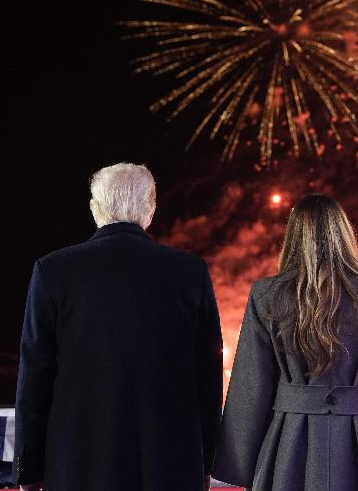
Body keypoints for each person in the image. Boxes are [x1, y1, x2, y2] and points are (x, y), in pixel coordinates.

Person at [13, 163, 222, 491]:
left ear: (95, 209)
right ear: (150, 210)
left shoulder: (53, 271)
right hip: (171, 462)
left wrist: (28, 467)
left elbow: (35, 379)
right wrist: (208, 461)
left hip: (77, 463)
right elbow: (208, 380)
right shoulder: (189, 272)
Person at [212, 194, 358, 491]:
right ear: (344, 235)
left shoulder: (266, 296)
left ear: (293, 237)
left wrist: (237, 463)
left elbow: (252, 385)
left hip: (288, 446)